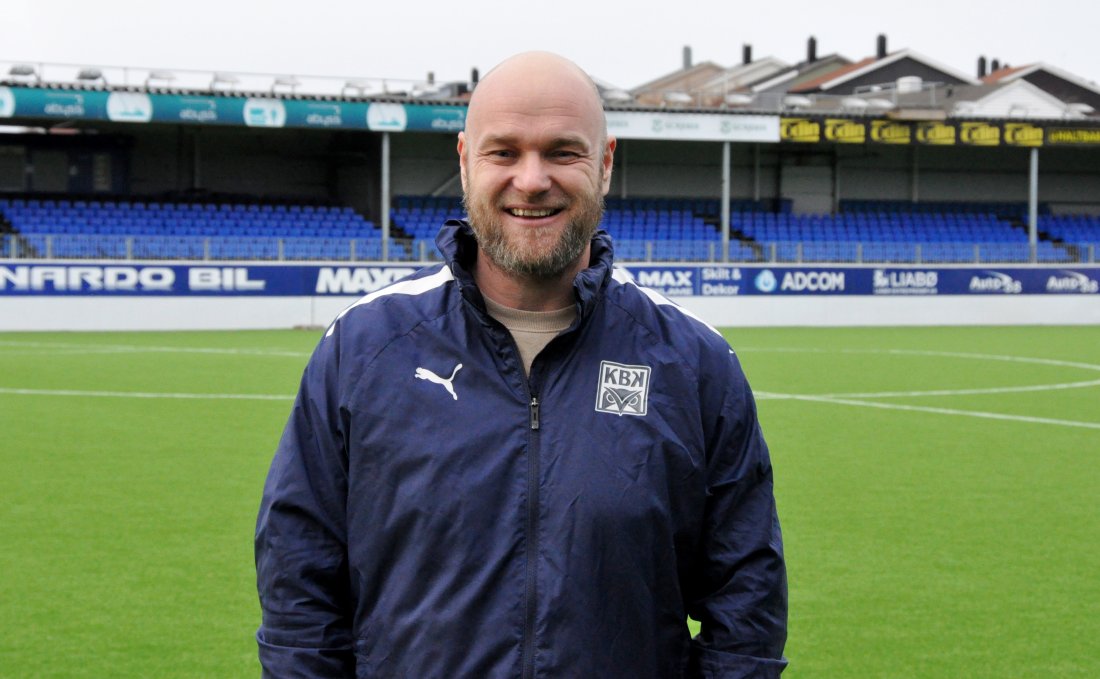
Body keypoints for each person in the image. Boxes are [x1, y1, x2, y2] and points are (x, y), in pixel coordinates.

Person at [255, 51, 787, 678]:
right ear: (464, 161)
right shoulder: (364, 349)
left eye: (562, 152)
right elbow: (299, 584)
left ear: (606, 163)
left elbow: (745, 601)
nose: (531, 180)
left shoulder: (695, 362)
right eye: (503, 152)